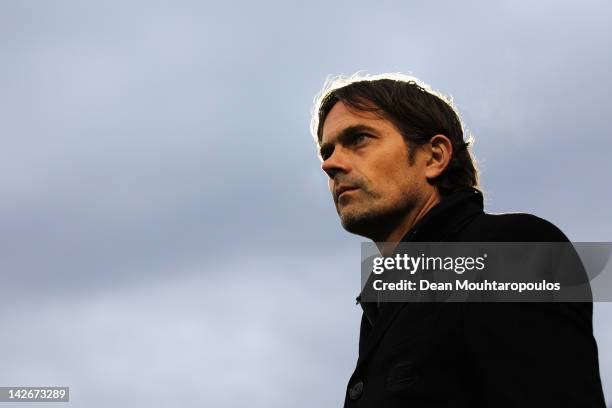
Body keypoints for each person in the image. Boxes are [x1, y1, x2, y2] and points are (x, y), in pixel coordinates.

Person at [310, 73, 606, 407]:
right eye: (327, 150)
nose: (331, 164)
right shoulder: (384, 306)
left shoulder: (506, 248)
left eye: (359, 138)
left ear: (435, 157)